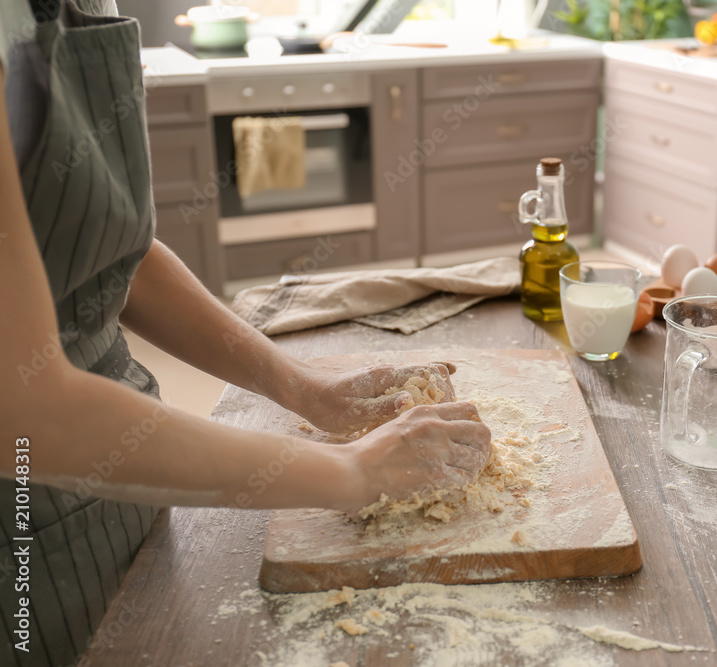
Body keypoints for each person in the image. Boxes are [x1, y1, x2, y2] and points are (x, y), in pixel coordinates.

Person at [0, 2, 491, 665]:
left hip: (131, 463)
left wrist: (309, 391)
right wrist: (354, 468)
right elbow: (26, 414)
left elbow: (116, 254)